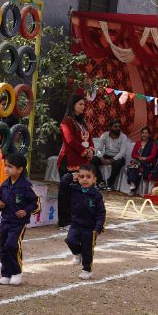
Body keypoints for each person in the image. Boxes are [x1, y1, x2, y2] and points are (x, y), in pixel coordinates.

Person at [0, 153, 40, 286]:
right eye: (5, 166)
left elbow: (35, 203)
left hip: (18, 223)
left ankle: (16, 272)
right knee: (3, 246)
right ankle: (6, 274)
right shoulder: (4, 185)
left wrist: (26, 211)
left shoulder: (26, 186)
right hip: (5, 220)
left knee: (12, 245)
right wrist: (0, 205)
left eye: (10, 166)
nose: (6, 169)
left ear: (20, 169)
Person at [57, 94, 93, 227]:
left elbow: (90, 140)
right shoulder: (67, 121)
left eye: (84, 104)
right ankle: (64, 222)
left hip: (82, 162)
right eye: (80, 104)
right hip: (69, 162)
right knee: (66, 192)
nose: (83, 107)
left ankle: (75, 220)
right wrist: (85, 152)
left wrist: (91, 151)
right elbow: (70, 140)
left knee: (79, 193)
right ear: (73, 105)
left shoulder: (83, 123)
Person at [65, 164, 105, 280]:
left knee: (88, 249)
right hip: (76, 224)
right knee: (70, 240)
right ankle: (78, 253)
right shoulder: (74, 189)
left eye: (88, 177)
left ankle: (87, 269)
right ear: (77, 178)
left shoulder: (97, 195)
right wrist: (70, 176)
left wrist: (98, 227)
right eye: (81, 176)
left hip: (90, 228)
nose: (85, 179)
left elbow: (101, 213)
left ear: (94, 179)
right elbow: (63, 185)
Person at [91, 119, 132, 190]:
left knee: (118, 164)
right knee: (93, 160)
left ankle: (110, 183)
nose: (118, 128)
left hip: (118, 157)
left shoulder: (123, 137)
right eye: (115, 127)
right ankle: (100, 182)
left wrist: (112, 160)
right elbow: (98, 149)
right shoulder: (105, 135)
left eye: (119, 127)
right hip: (106, 155)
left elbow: (122, 152)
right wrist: (101, 158)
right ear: (110, 127)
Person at [125, 126, 158, 195]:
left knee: (135, 165)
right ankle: (133, 184)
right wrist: (139, 157)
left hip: (148, 163)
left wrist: (145, 158)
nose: (144, 135)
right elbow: (133, 154)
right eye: (143, 133)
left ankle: (133, 185)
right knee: (134, 165)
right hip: (138, 161)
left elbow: (153, 155)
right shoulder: (138, 143)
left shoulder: (153, 144)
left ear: (149, 135)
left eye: (146, 133)